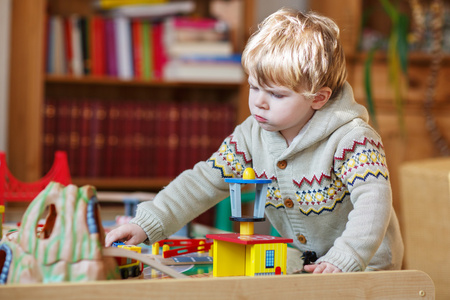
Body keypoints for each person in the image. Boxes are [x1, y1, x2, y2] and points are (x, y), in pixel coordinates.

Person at [105, 8, 404, 273]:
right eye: (254, 87)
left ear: (319, 98)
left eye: (276, 94)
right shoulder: (250, 135)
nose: (260, 102)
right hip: (309, 262)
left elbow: (373, 199)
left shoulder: (352, 139)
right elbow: (204, 181)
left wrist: (346, 256)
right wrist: (147, 222)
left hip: (367, 265)